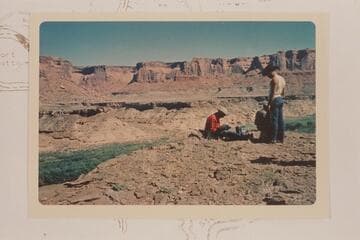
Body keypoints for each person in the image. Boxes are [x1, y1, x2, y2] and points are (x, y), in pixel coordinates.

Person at [262, 65, 286, 143]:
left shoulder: (274, 80)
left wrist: (269, 104)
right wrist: (281, 98)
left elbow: (272, 93)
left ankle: (273, 138)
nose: (268, 76)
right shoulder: (282, 78)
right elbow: (283, 91)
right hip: (280, 99)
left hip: (274, 100)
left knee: (274, 120)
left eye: (268, 74)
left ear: (271, 72)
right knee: (280, 120)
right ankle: (281, 138)